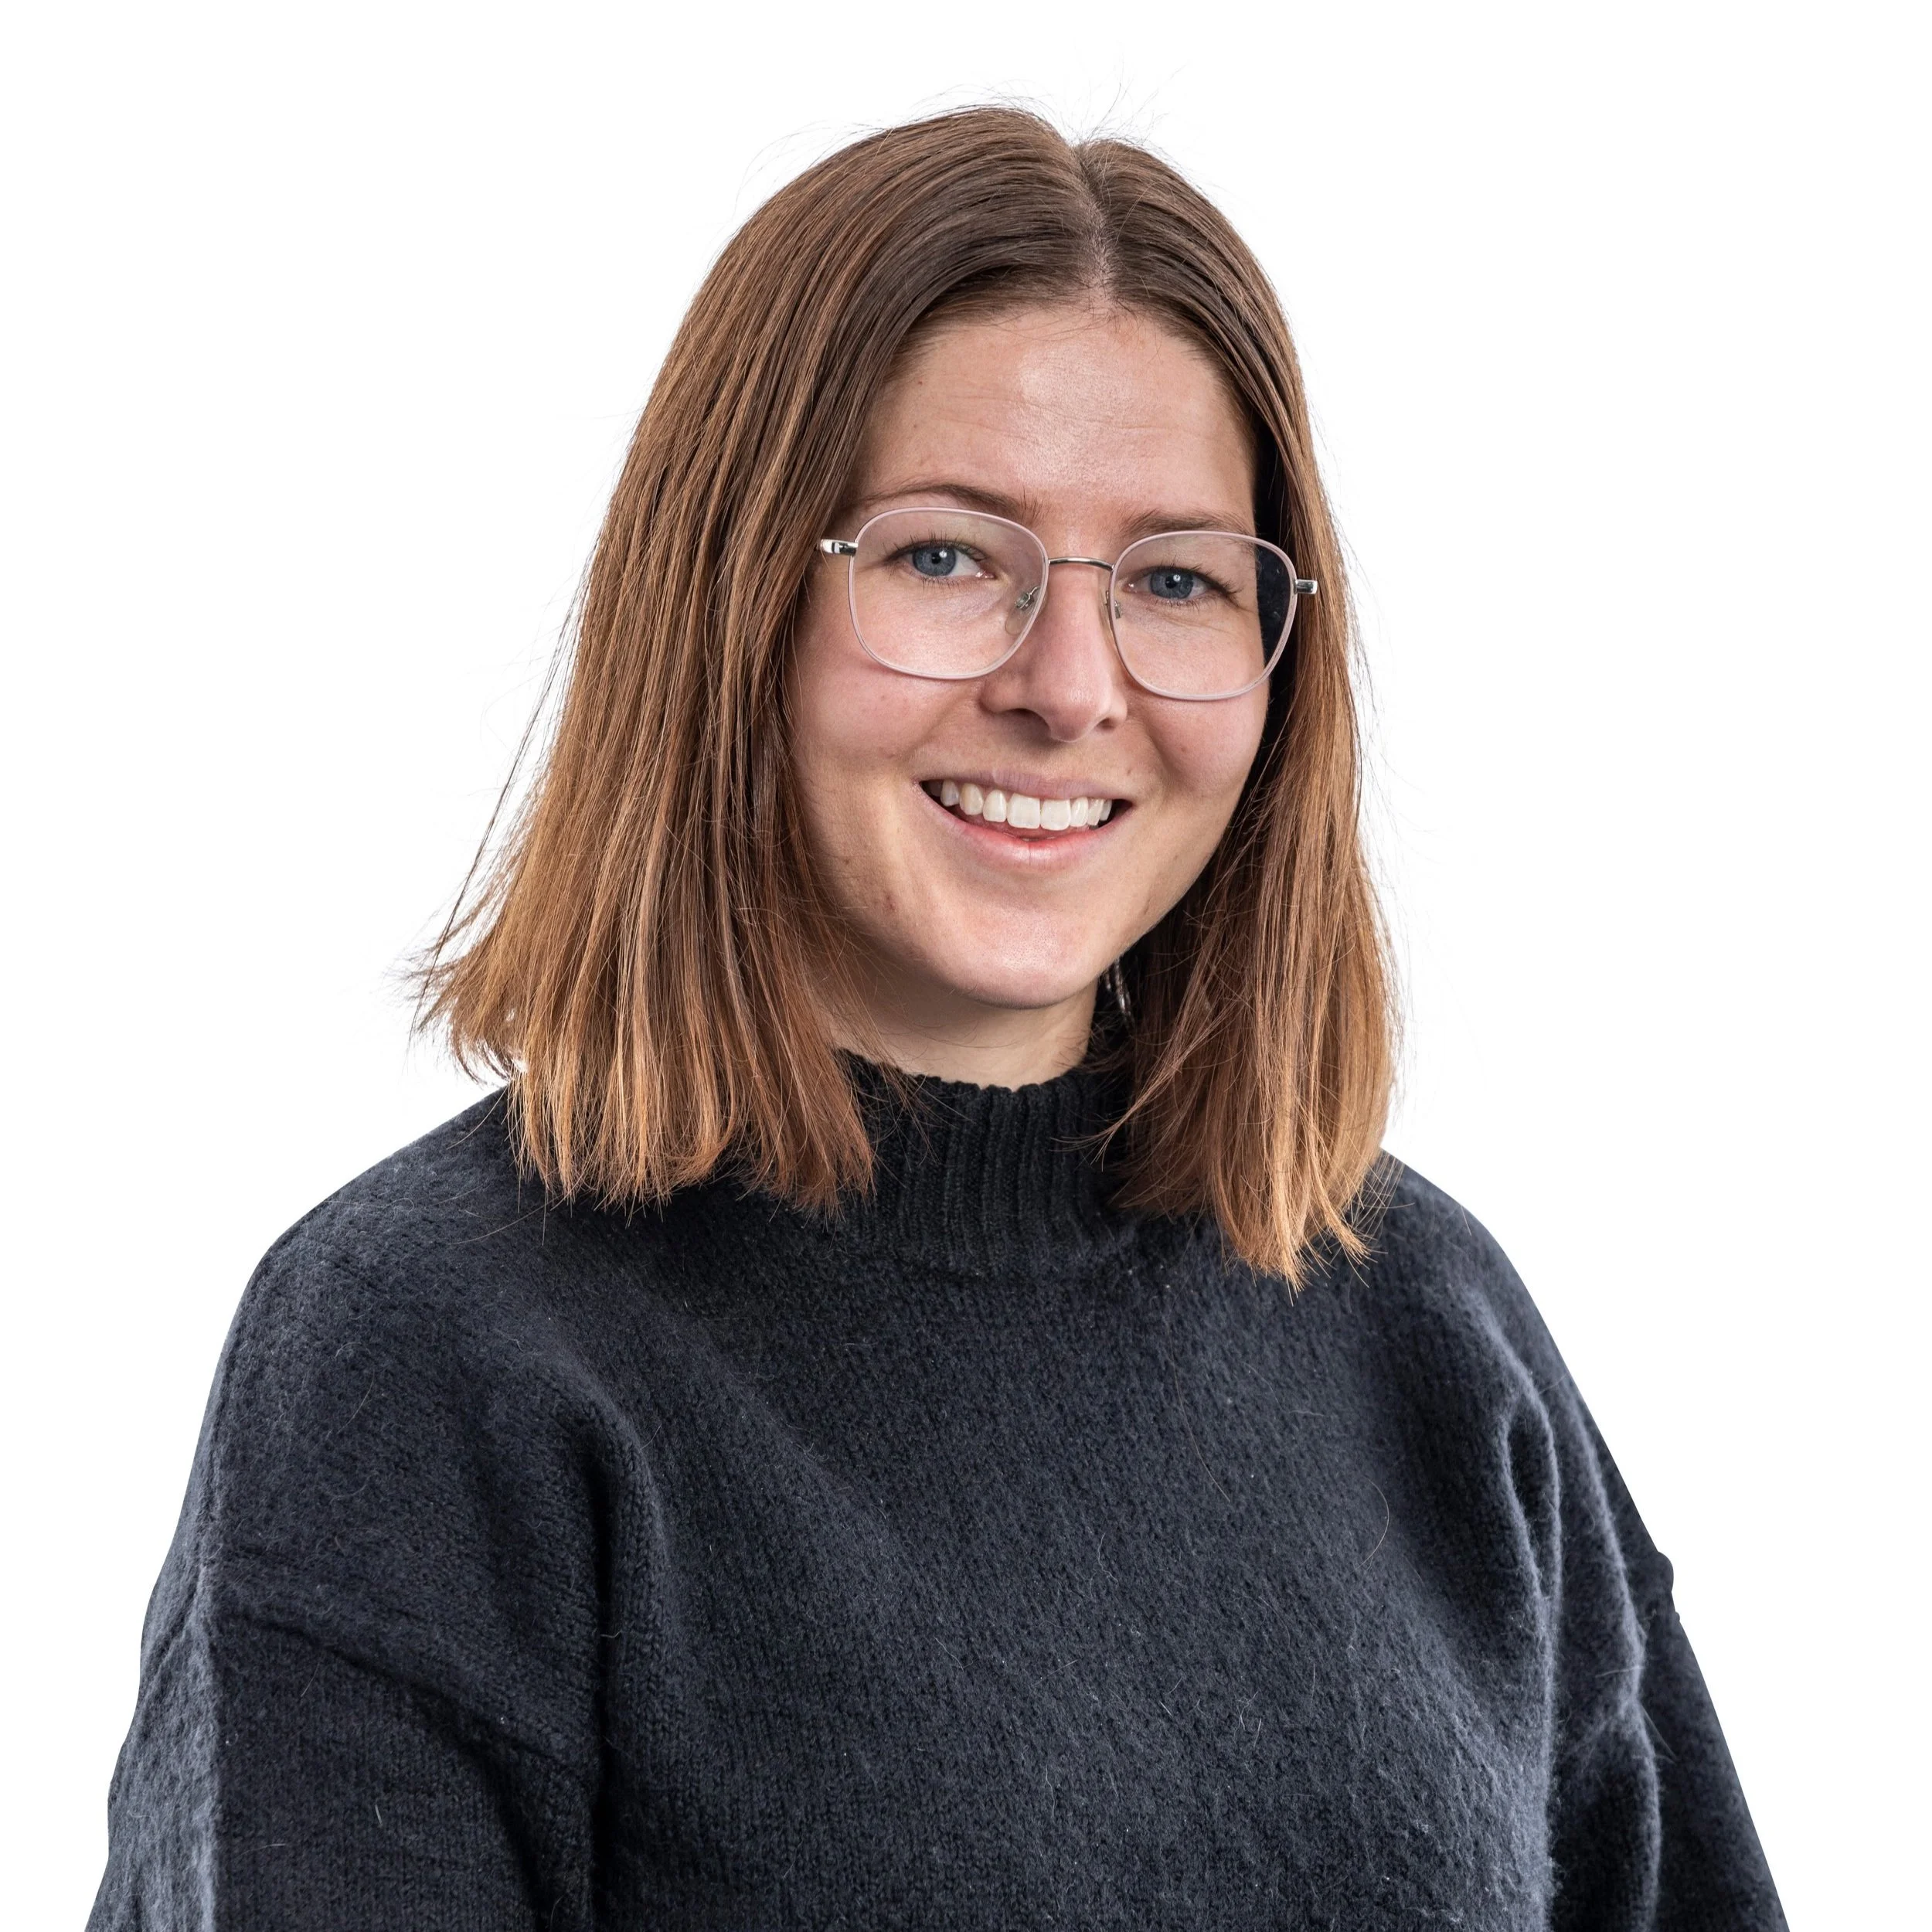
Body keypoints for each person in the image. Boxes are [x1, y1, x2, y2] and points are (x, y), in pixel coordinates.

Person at [87, 107, 1786, 1929]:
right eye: (945, 557)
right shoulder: (426, 1351)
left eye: (1177, 578)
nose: (1068, 686)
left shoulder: (1430, 1326)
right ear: (730, 598)